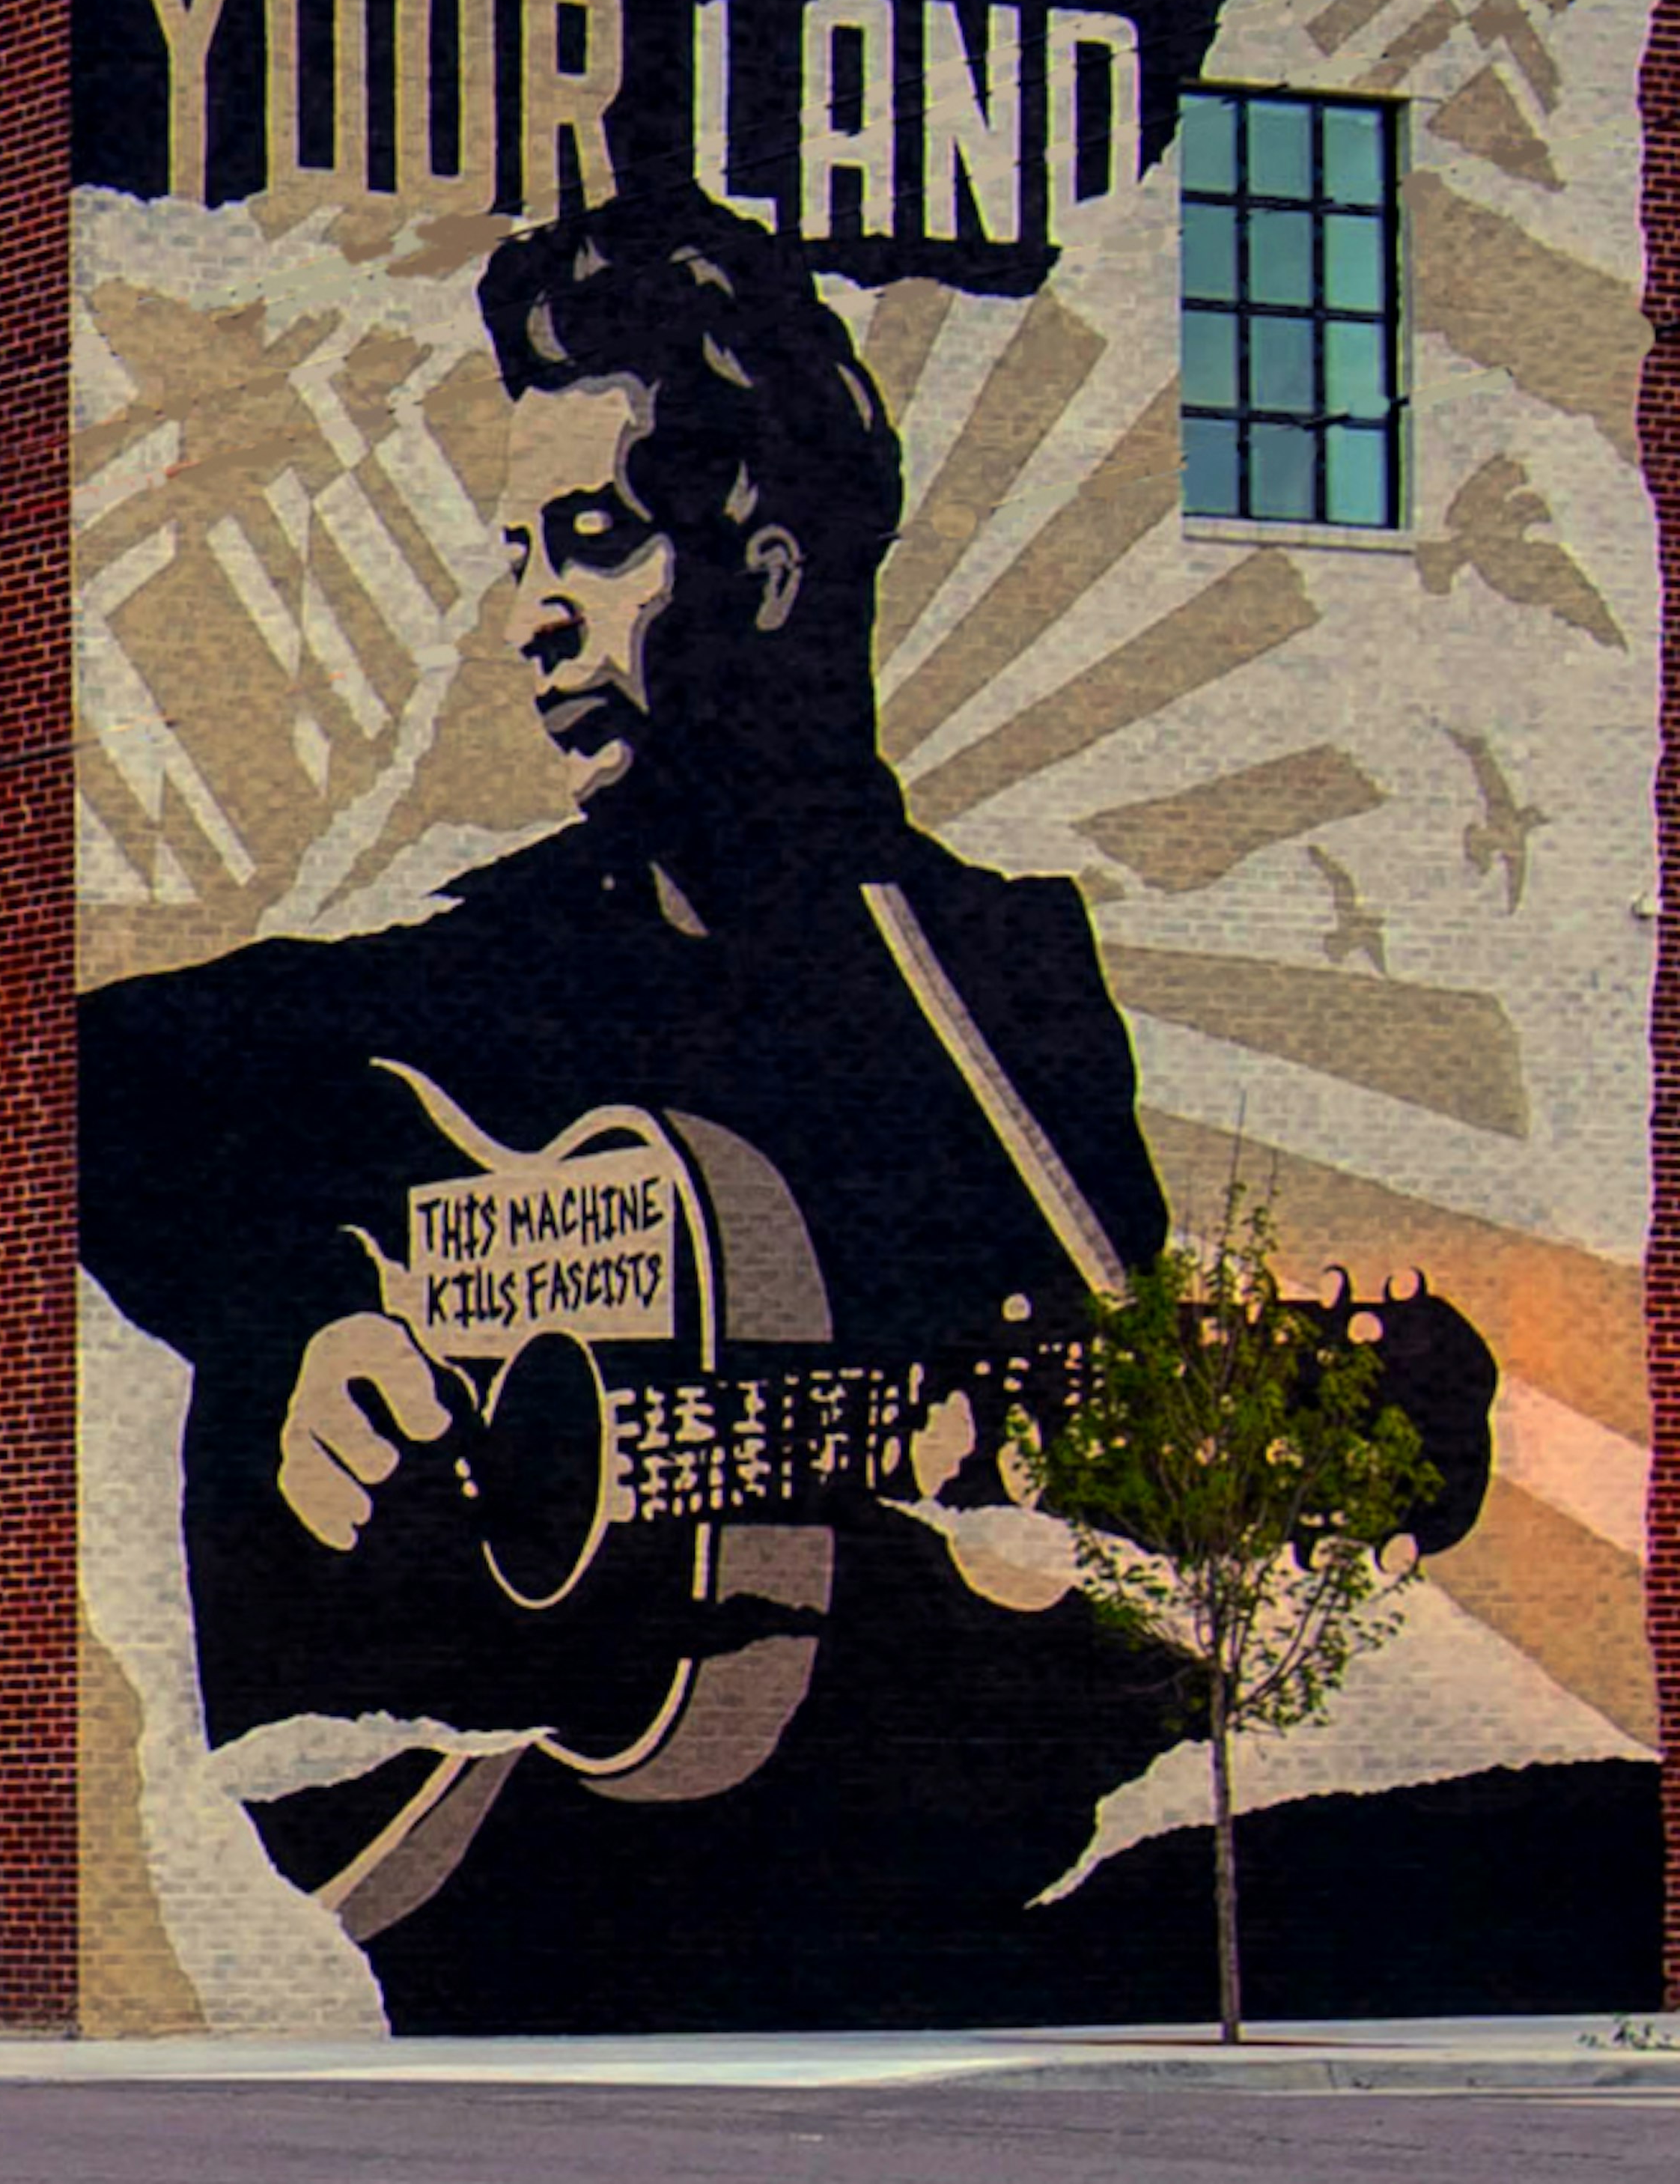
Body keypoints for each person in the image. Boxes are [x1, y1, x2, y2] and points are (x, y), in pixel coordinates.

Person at [81, 179, 1191, 2030]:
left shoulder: (1001, 992)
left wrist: (1035, 1572)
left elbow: (1141, 1580)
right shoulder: (494, 965)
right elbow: (84, 1075)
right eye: (519, 555)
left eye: (587, 547)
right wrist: (296, 1324)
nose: (527, 619)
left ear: (765, 562)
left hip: (906, 1902)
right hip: (513, 1861)